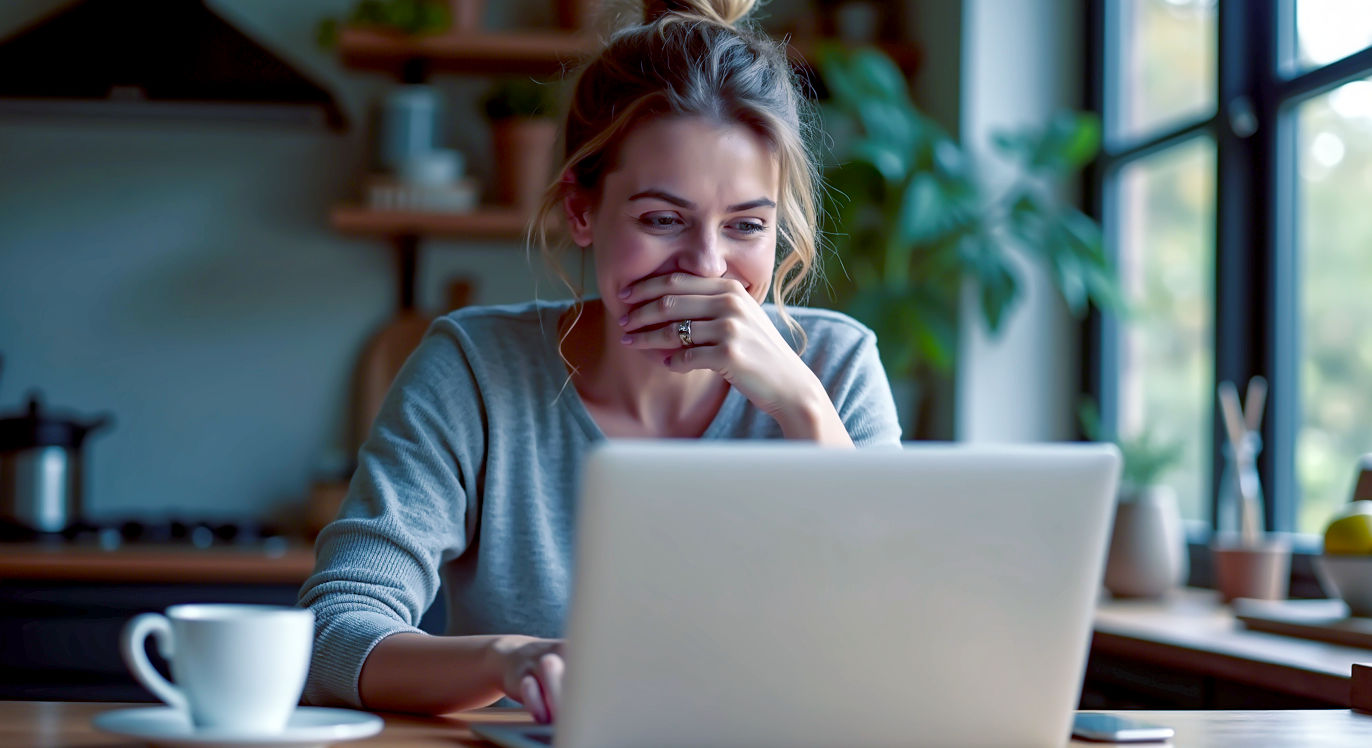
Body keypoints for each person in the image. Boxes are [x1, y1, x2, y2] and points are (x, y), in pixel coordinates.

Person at [297, 0, 901, 724]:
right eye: (661, 220)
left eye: (746, 225)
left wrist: (804, 411)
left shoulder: (835, 367)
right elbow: (333, 638)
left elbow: (899, 638)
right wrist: (508, 660)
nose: (706, 267)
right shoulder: (474, 370)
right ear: (581, 211)